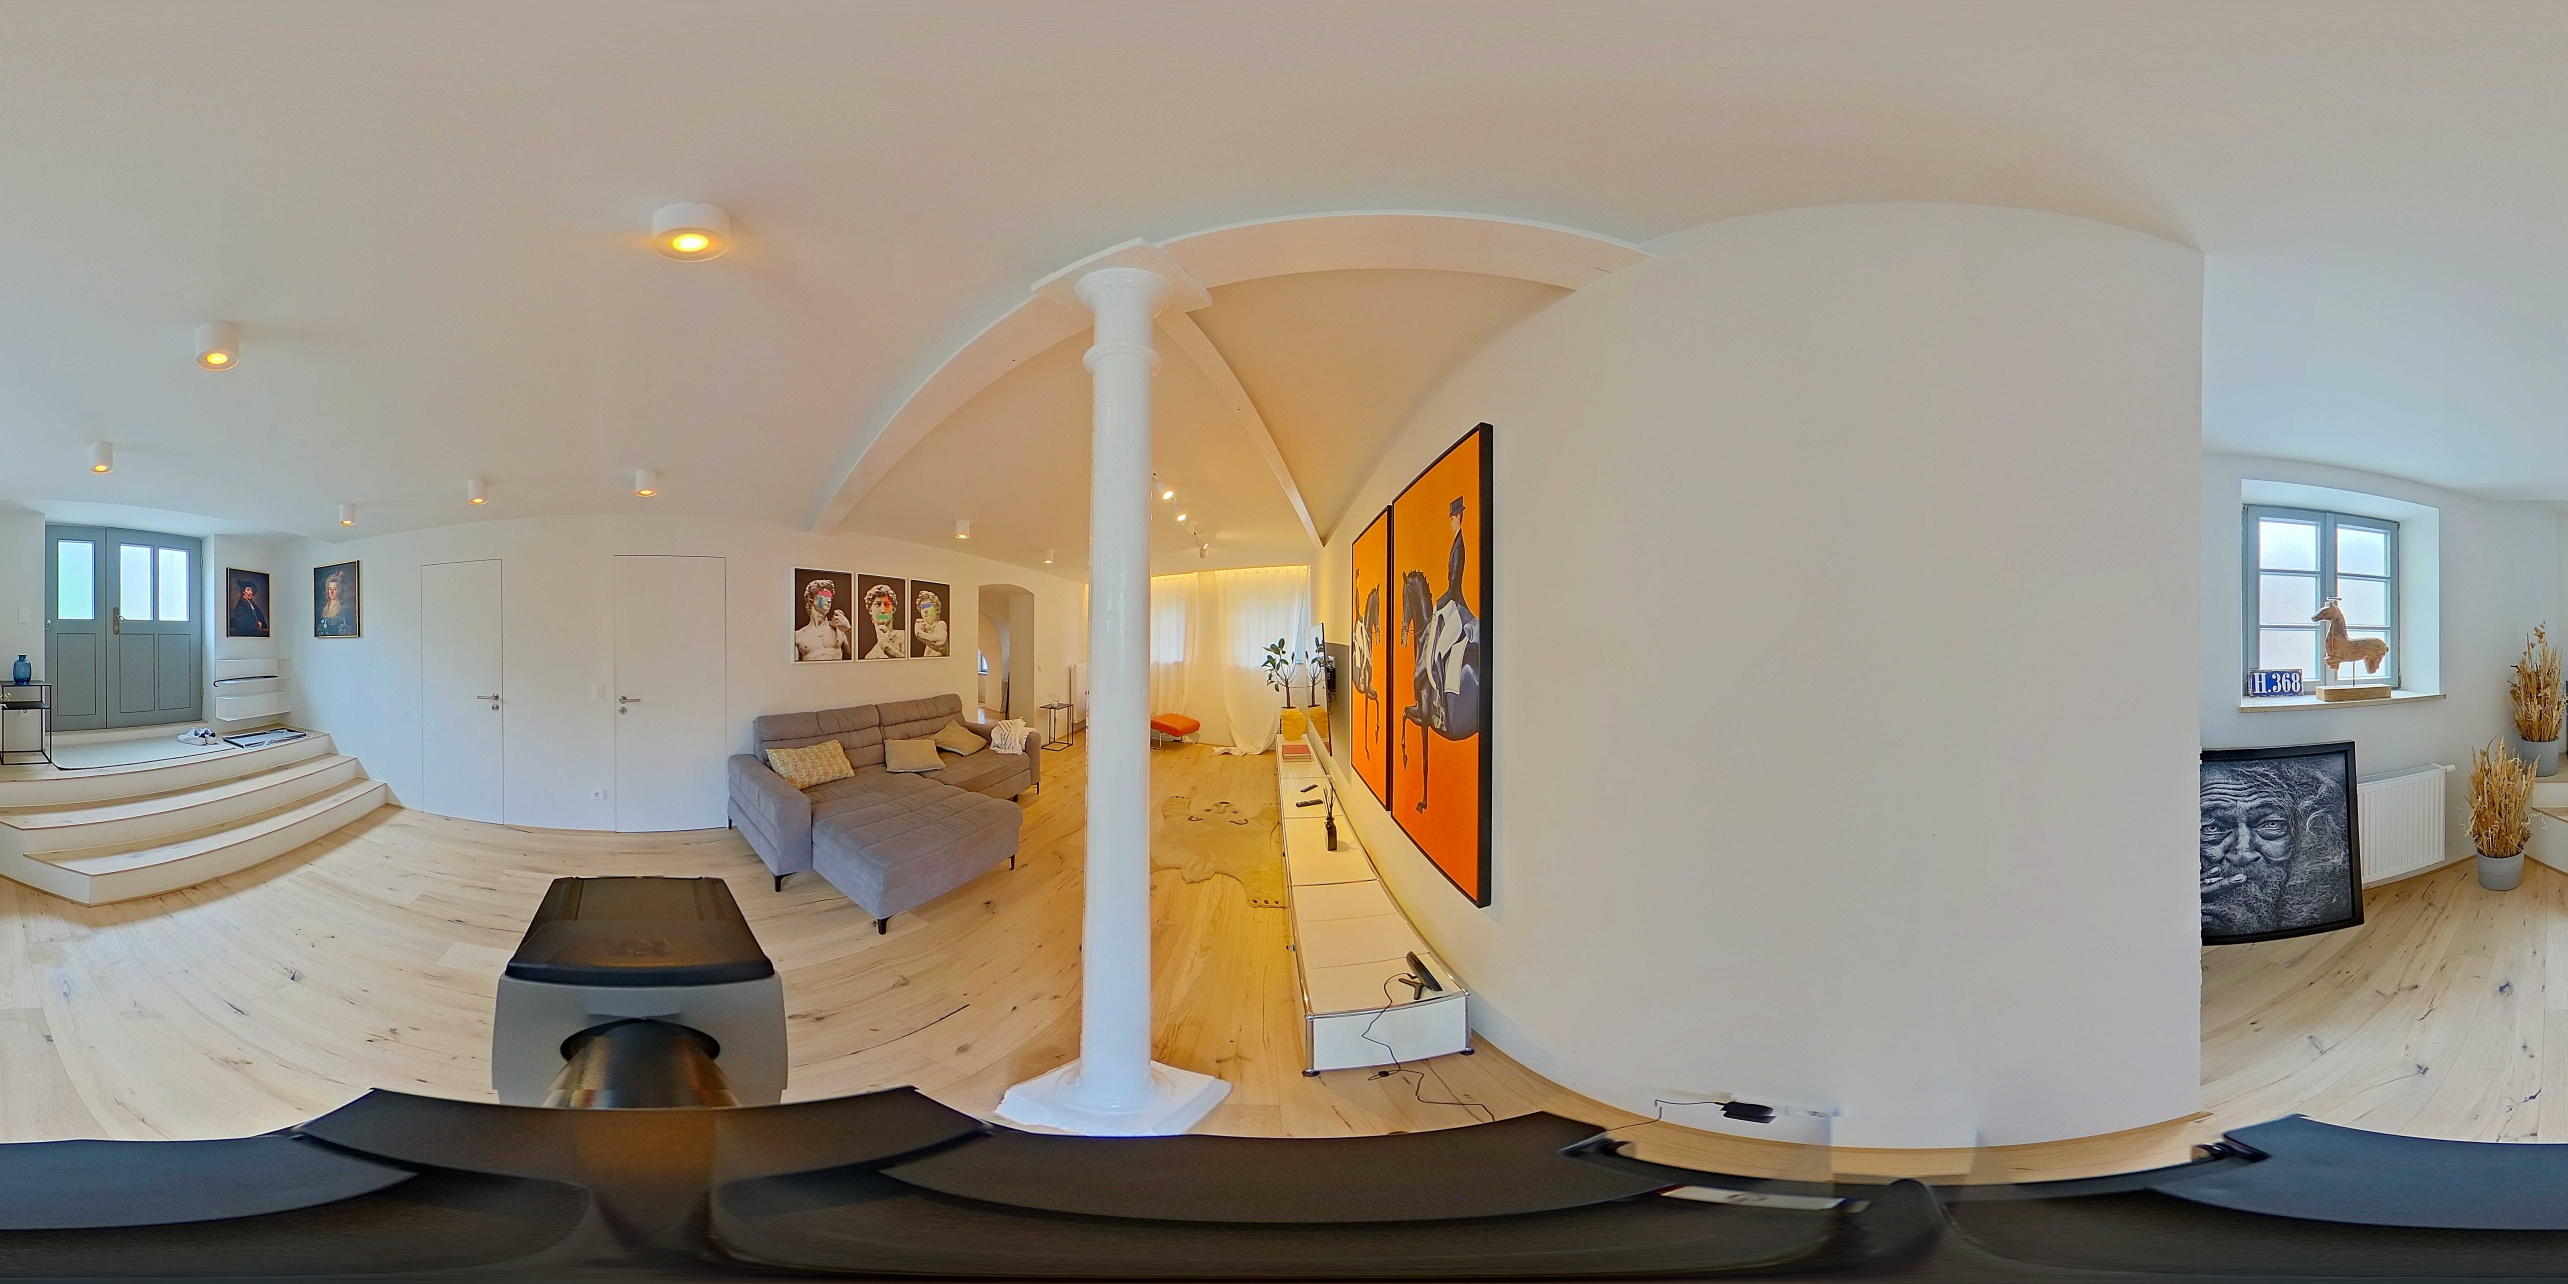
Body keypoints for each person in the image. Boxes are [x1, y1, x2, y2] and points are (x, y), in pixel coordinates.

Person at [793, 578, 851, 661]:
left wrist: (847, 630)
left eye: (830, 597)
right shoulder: (798, 636)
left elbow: (855, 654)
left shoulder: (840, 630)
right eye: (824, 595)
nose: (829, 600)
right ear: (812, 598)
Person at [862, 583, 909, 659]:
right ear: (870, 610)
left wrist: (885, 647)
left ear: (893, 609)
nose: (883, 610)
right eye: (878, 604)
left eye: (886, 605)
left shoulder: (902, 636)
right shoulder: (870, 656)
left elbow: (908, 664)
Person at [911, 587, 949, 657]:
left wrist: (919, 633)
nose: (925, 610)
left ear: (937, 610)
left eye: (928, 606)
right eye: (922, 607)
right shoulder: (928, 631)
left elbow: (940, 643)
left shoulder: (940, 624)